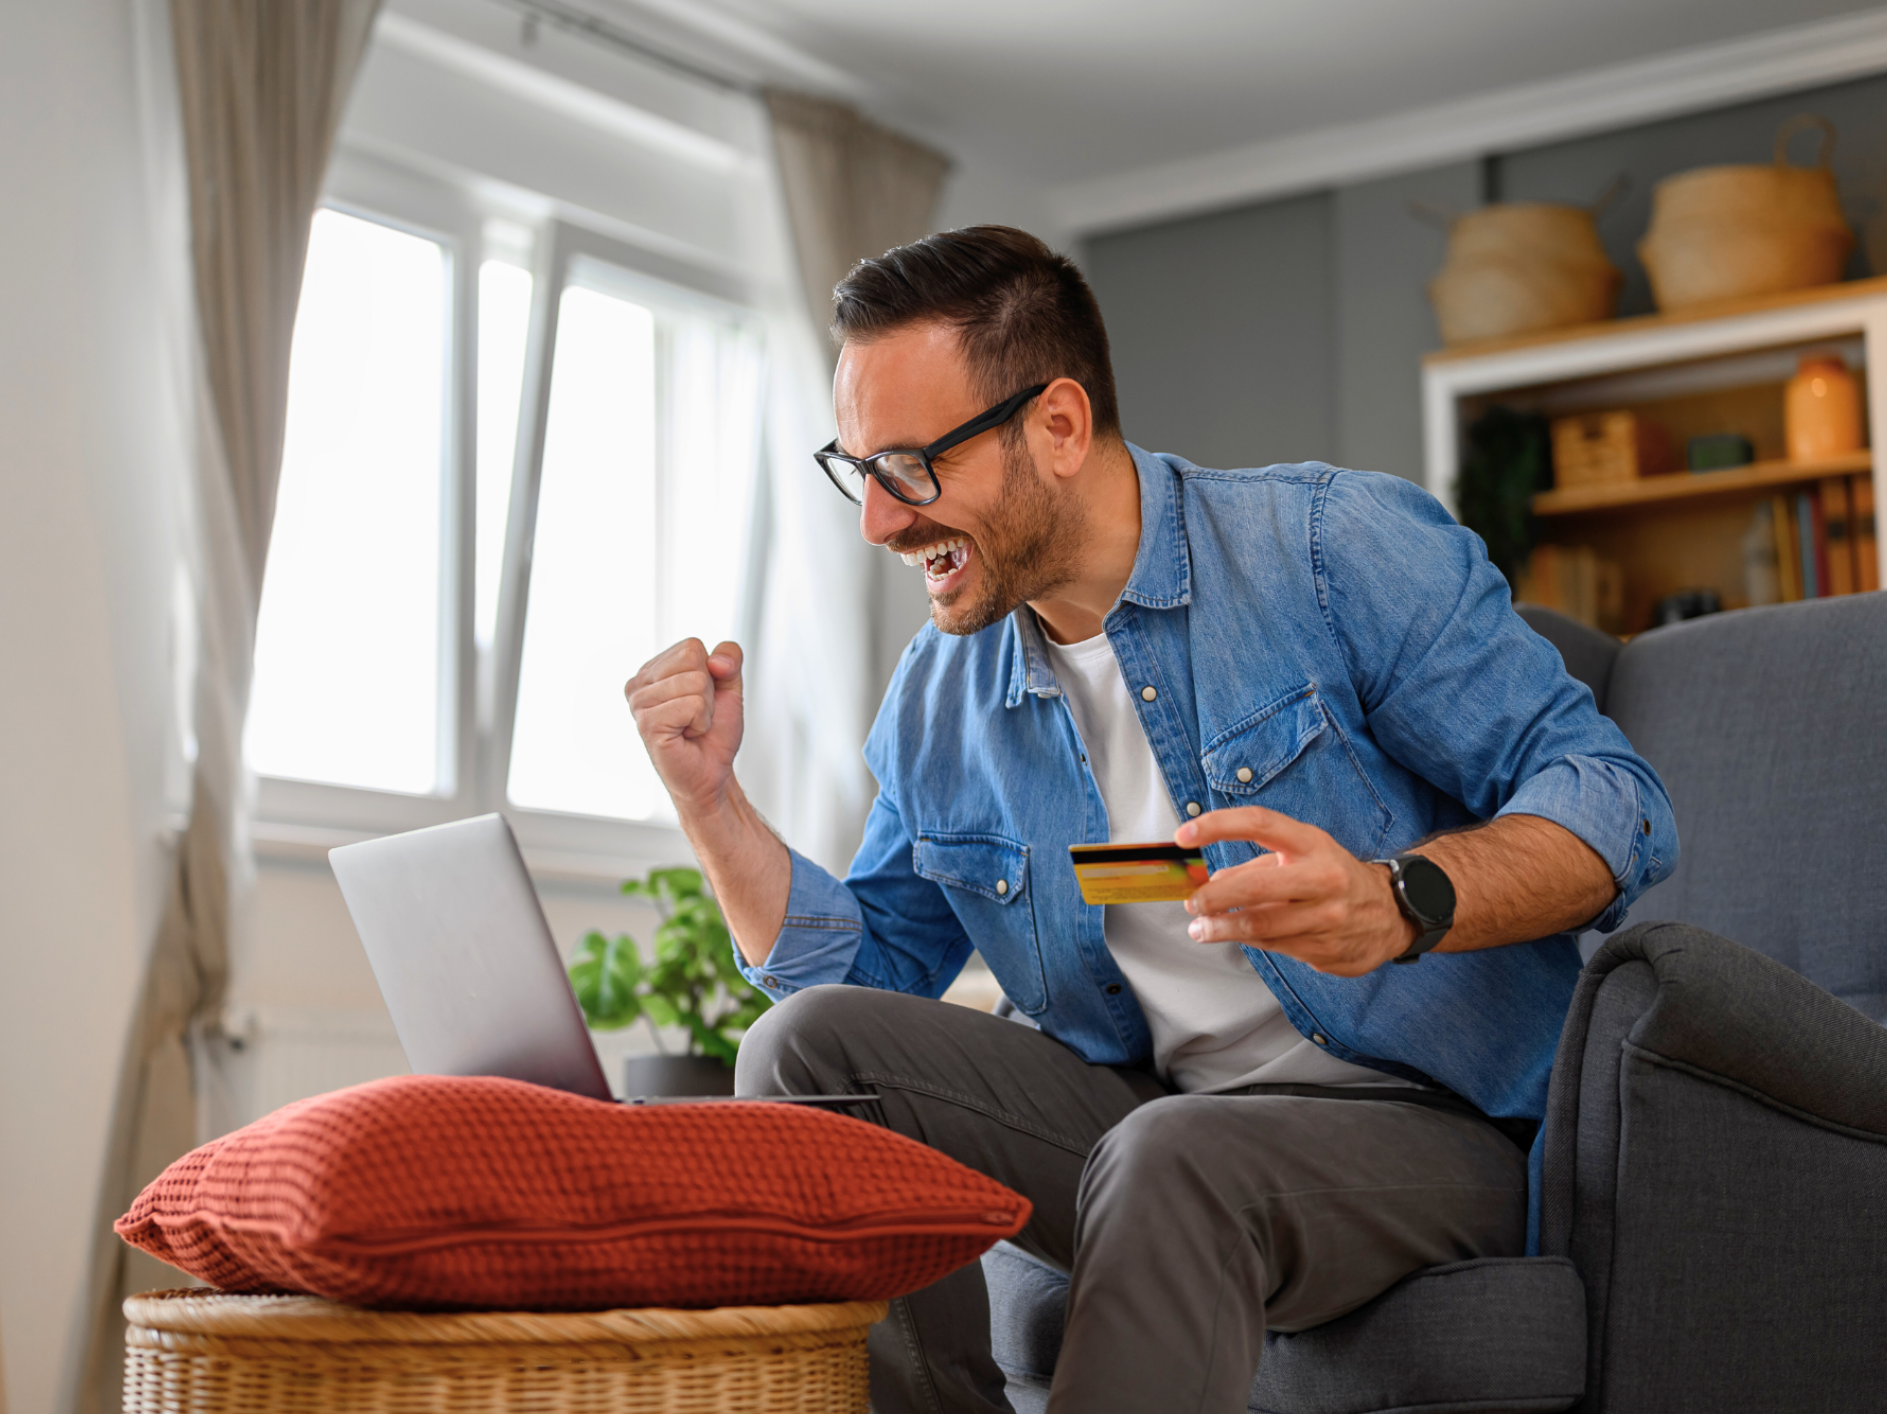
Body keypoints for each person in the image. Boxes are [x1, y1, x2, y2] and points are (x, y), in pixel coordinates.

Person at [624, 225, 1675, 1414]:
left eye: (910, 467)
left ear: (1058, 427)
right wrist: (709, 804)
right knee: (803, 1047)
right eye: (856, 468)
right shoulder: (940, 692)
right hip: (1150, 1117)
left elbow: (1614, 801)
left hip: (1427, 1124)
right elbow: (867, 971)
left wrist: (1395, 903)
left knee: (1170, 1155)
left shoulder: (1324, 551)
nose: (876, 522)